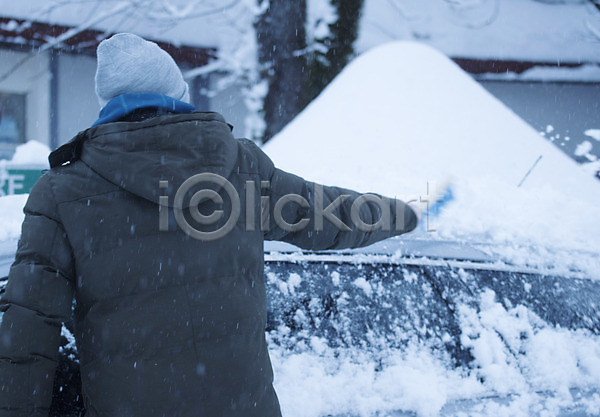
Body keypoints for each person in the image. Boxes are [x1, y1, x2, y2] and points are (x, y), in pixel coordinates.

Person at [0, 33, 419, 416]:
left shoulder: (62, 192)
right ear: (178, 96)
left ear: (108, 107)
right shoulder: (241, 169)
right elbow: (330, 214)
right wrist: (406, 213)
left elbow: (27, 332)